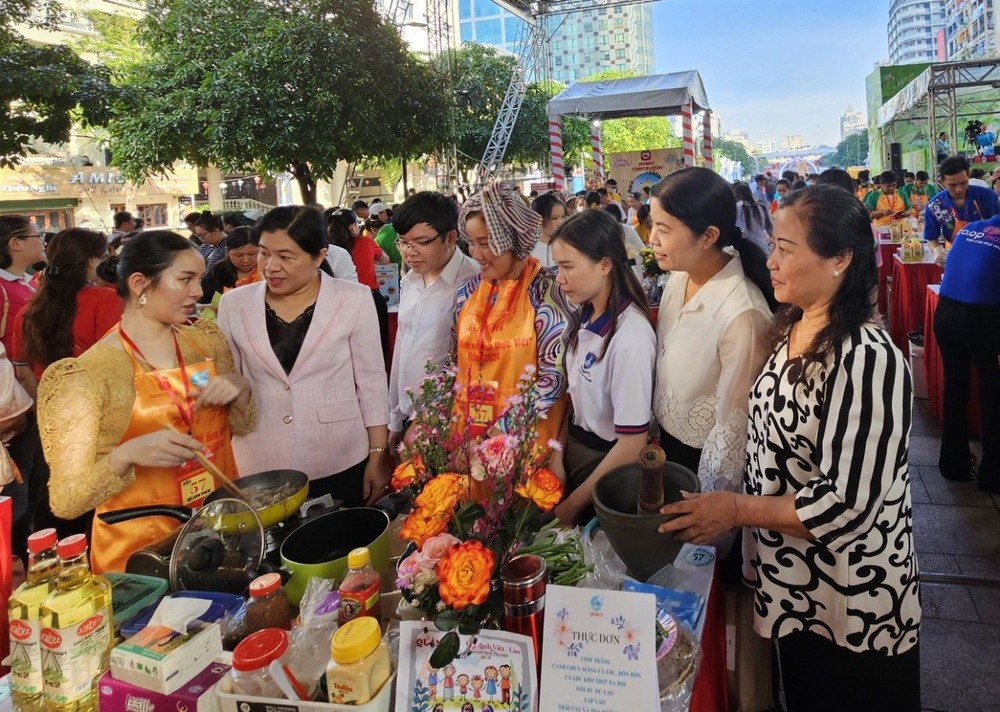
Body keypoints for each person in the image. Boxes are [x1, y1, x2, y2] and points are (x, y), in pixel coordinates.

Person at [659, 184, 920, 711]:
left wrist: (735, 509)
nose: (771, 261)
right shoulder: (794, 326)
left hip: (850, 599)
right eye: (772, 246)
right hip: (793, 587)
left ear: (840, 259)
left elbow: (843, 507)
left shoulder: (867, 357)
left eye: (785, 249)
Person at [37, 231, 256, 573]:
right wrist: (125, 455)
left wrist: (239, 388)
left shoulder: (205, 343)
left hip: (223, 530)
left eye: (199, 279)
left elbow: (242, 425)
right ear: (140, 283)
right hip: (144, 554)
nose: (198, 292)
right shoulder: (88, 376)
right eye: (185, 279)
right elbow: (67, 501)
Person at [217, 206, 391, 506]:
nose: (270, 267)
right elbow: (225, 375)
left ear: (319, 256)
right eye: (264, 254)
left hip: (338, 456)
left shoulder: (354, 298)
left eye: (286, 257)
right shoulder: (234, 304)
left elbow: (372, 384)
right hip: (260, 462)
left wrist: (378, 454)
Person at [649, 167, 775, 495]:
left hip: (702, 468)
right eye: (652, 225)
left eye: (663, 229)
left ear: (708, 236)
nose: (652, 239)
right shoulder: (679, 277)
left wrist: (707, 504)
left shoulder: (743, 315)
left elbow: (731, 434)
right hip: (666, 448)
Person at [13, 228, 123, 538]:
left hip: (55, 420)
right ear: (90, 261)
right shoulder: (106, 300)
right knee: (101, 498)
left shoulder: (30, 310)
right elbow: (119, 364)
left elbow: (26, 372)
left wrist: (47, 414)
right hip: (102, 419)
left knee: (58, 499)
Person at [549, 210, 655, 525]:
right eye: (557, 267)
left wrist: (571, 507)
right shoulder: (585, 314)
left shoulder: (630, 337)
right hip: (575, 456)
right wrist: (557, 455)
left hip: (606, 471)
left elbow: (632, 445)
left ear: (605, 265)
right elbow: (574, 400)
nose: (559, 278)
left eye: (568, 267)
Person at [453, 182, 570, 447]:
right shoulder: (467, 292)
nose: (475, 254)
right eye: (471, 243)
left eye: (485, 243)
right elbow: (455, 361)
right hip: (468, 438)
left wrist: (500, 430)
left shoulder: (546, 292)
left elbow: (554, 377)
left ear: (514, 241)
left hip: (527, 441)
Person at [388, 192, 479, 453]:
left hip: (450, 422)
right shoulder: (410, 280)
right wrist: (394, 416)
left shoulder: (473, 282)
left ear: (450, 238)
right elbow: (402, 350)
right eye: (403, 242)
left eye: (421, 242)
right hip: (409, 417)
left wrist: (436, 416)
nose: (409, 252)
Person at [933, 214, 1000, 491]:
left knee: (955, 388)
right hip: (981, 318)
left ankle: (954, 465)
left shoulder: (972, 228)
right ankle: (993, 477)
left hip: (945, 313)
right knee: (992, 393)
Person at [327, 208, 391, 364]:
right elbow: (385, 260)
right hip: (371, 299)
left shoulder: (328, 250)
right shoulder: (366, 242)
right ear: (352, 227)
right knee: (377, 346)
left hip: (339, 304)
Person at [923, 155, 1000, 252]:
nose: (959, 189)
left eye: (963, 183)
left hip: (988, 251)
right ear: (942, 181)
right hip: (955, 252)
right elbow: (931, 238)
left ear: (968, 176)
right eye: (952, 185)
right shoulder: (935, 206)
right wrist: (937, 251)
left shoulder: (986, 196)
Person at [199, 227, 260, 303]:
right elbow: (204, 300)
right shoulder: (218, 271)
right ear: (228, 252)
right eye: (238, 255)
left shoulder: (267, 270)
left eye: (252, 254)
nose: (246, 260)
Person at [529, 192, 567, 270]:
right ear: (539, 220)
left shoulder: (567, 245)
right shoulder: (530, 252)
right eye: (554, 218)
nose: (561, 222)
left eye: (563, 217)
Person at [732, 181, 771, 255]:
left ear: (736, 195)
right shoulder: (761, 207)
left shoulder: (735, 208)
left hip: (743, 249)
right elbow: (769, 228)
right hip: (761, 246)